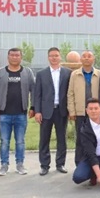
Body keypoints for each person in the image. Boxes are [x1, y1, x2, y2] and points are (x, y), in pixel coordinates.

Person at [0, 48, 35, 176]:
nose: (14, 57)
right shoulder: (0, 72)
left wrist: (33, 107)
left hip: (21, 114)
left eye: (17, 55)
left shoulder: (27, 72)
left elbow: (33, 90)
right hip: (4, 114)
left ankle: (20, 164)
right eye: (12, 55)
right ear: (8, 57)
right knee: (4, 141)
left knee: (20, 141)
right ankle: (4, 165)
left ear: (21, 57)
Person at [33, 47, 72, 175]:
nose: (54, 58)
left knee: (62, 139)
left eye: (56, 55)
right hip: (46, 111)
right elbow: (37, 94)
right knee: (44, 139)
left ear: (60, 57)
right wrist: (37, 111)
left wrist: (70, 110)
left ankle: (60, 164)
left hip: (61, 110)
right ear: (48, 57)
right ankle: (44, 165)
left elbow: (70, 92)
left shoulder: (68, 73)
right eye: (51, 56)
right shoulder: (41, 74)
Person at [72, 98, 100, 187]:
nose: (93, 111)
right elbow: (90, 153)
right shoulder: (84, 129)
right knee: (78, 177)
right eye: (90, 109)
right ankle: (93, 173)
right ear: (86, 111)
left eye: (96, 108)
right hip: (93, 157)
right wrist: (99, 176)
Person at [67, 50, 100, 151]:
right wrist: (72, 111)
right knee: (80, 138)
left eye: (89, 56)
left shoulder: (99, 74)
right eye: (84, 56)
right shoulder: (74, 74)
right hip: (80, 112)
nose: (86, 58)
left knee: (96, 137)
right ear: (80, 59)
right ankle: (79, 159)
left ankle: (94, 159)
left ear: (93, 59)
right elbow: (70, 93)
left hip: (95, 112)